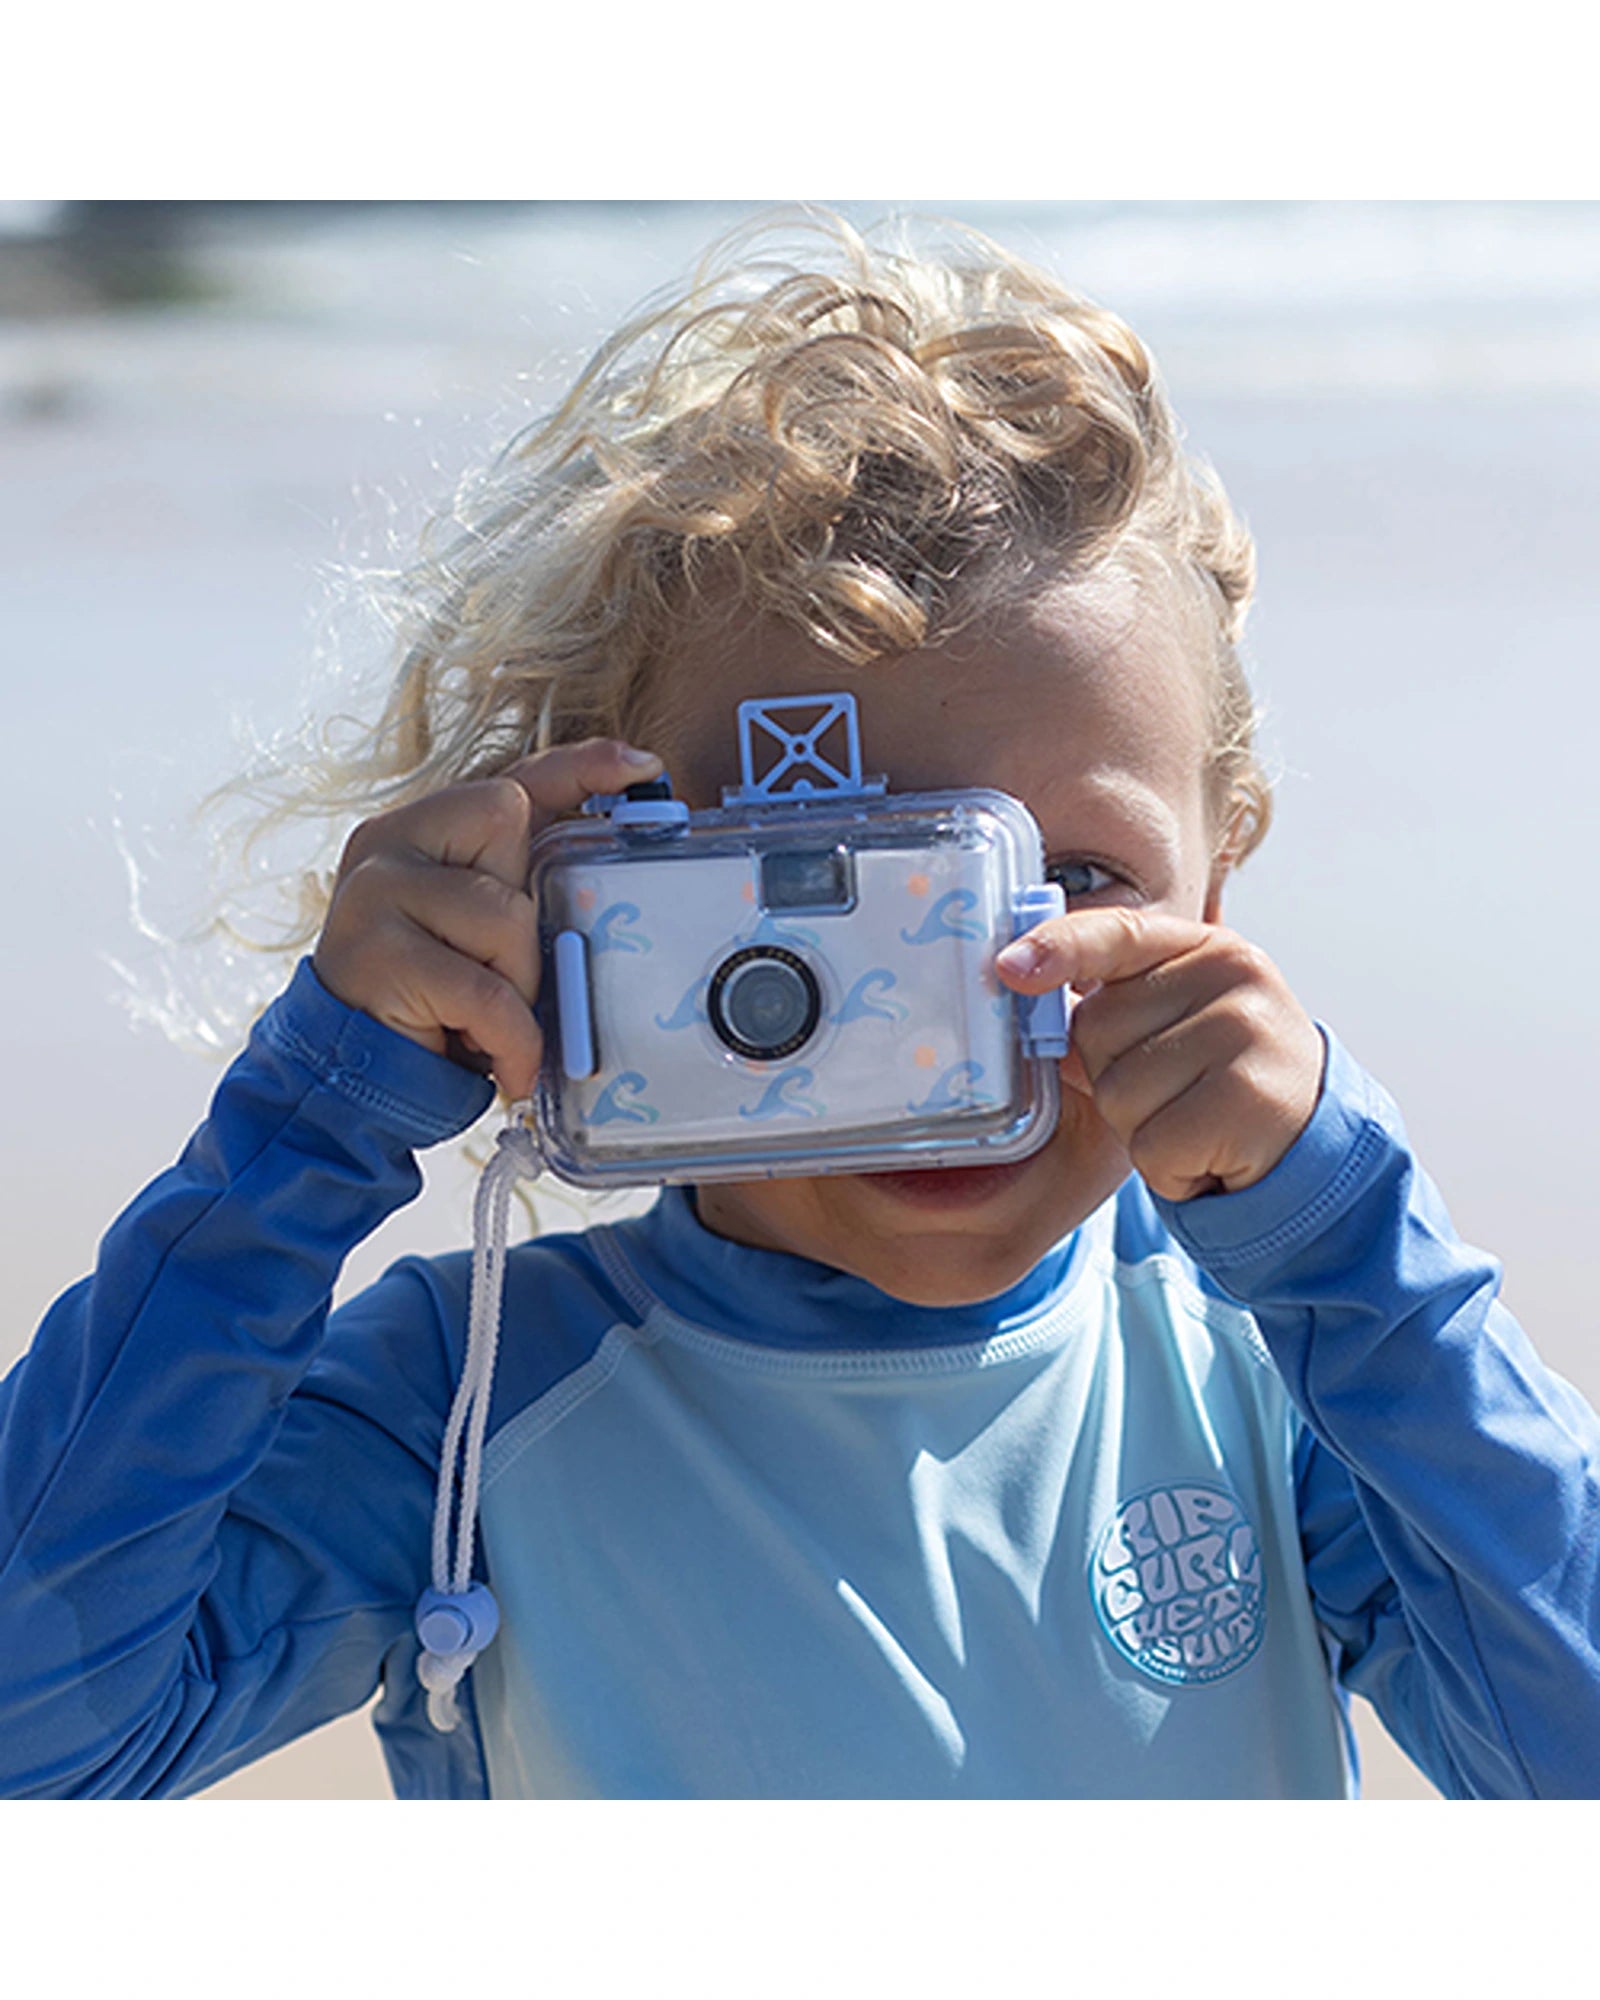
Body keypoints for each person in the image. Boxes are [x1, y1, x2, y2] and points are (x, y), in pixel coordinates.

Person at [2, 210, 1597, 1799]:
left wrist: (1347, 1233)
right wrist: (309, 1128)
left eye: (1083, 886)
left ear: (1220, 890)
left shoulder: (1273, 1374)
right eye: (826, 911)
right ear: (587, 909)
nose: (958, 1021)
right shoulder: (473, 1404)